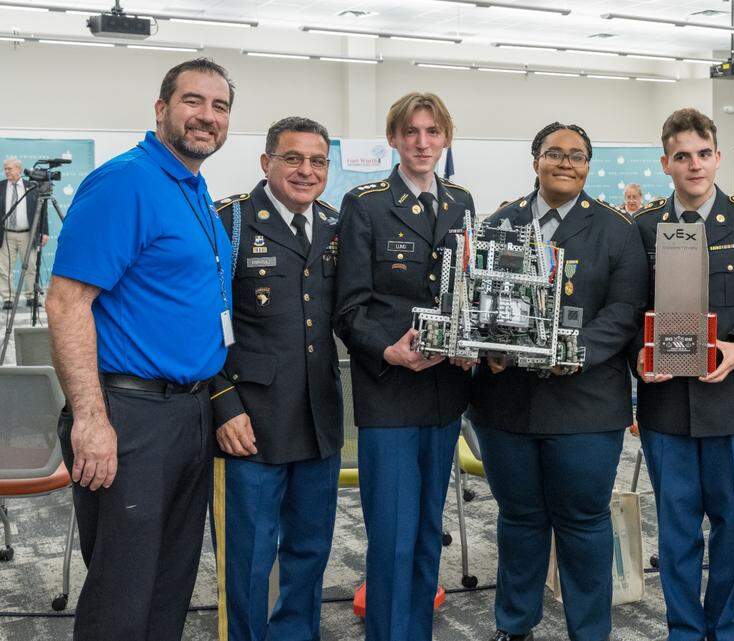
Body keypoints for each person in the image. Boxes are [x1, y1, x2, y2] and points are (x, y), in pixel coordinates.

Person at [45, 57, 234, 641]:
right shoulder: (126, 181)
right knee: (122, 592)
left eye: (220, 106)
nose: (206, 116)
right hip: (129, 416)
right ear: (161, 109)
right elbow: (66, 302)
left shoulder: (195, 189)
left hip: (188, 411)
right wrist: (92, 420)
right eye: (193, 101)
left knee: (170, 581)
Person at [470, 121, 649, 641]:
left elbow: (624, 311)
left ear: (588, 166)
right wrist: (492, 348)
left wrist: (574, 353)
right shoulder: (498, 223)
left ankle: (589, 631)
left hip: (586, 407)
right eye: (554, 153)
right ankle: (515, 625)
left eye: (576, 155)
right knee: (520, 520)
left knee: (583, 523)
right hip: (507, 404)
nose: (565, 163)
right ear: (536, 161)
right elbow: (478, 298)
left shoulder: (617, 229)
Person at [633, 108, 734, 641]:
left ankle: (725, 626)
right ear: (665, 163)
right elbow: (630, 311)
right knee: (676, 531)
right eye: (682, 156)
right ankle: (683, 629)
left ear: (717, 157)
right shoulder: (646, 226)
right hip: (666, 406)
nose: (694, 165)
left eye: (703, 154)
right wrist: (639, 356)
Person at [334, 92, 474, 641]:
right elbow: (348, 309)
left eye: (432, 132)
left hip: (443, 393)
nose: (422, 142)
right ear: (393, 138)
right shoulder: (365, 204)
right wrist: (388, 348)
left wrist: (473, 340)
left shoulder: (461, 202)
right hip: (389, 390)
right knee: (392, 534)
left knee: (426, 532)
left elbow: (468, 294)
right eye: (411, 132)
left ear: (445, 139)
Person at [209, 116, 343, 641]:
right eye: (293, 158)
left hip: (318, 417)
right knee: (247, 556)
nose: (305, 171)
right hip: (250, 421)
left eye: (316, 161)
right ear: (267, 163)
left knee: (311, 549)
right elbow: (202, 322)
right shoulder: (230, 220)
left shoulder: (334, 226)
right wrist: (223, 403)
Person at [1, 157, 49, 309]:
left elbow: (42, 211)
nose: (6, 171)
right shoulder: (1, 186)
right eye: (5, 168)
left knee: (31, 267)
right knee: (4, 268)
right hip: (5, 234)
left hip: (28, 234)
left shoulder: (32, 186)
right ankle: (8, 298)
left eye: (9, 168)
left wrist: (44, 231)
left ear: (19, 169)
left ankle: (31, 296)